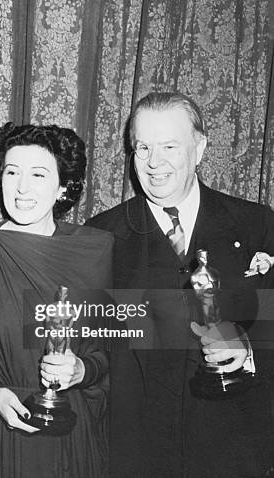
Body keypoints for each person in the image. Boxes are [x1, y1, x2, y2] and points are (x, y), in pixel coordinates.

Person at [86, 91, 274, 477]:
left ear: (200, 147)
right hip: (137, 451)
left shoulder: (257, 225)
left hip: (234, 448)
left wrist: (248, 346)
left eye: (170, 146)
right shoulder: (101, 236)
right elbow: (92, 344)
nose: (155, 163)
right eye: (143, 148)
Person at [0, 123, 114, 477]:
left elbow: (107, 350)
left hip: (68, 434)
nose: (22, 187)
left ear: (63, 186)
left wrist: (82, 370)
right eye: (12, 172)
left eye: (39, 174)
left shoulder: (93, 250)